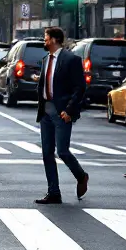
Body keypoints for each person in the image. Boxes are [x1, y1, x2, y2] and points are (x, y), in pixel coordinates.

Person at [34, 27, 89, 204]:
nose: (44, 41)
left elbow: (79, 88)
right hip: (46, 112)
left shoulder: (71, 60)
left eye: (46, 38)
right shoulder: (45, 60)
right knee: (47, 153)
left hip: (62, 112)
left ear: (55, 40)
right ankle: (54, 192)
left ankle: (81, 176)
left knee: (63, 151)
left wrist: (69, 110)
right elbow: (50, 82)